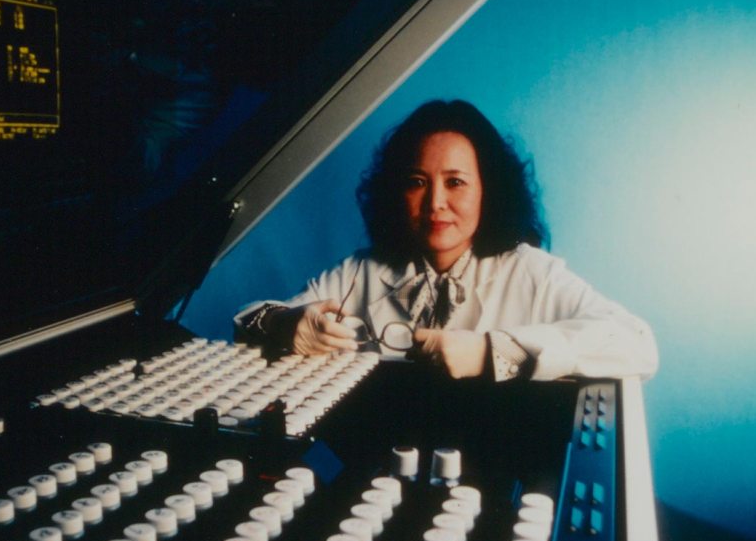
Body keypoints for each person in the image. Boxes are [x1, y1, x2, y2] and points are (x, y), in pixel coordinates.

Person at [235, 100, 658, 382]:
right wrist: (285, 324)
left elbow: (636, 343)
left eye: (455, 182)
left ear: (489, 190)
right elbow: (247, 320)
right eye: (417, 182)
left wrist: (494, 351)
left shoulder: (533, 273)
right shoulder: (362, 270)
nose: (435, 202)